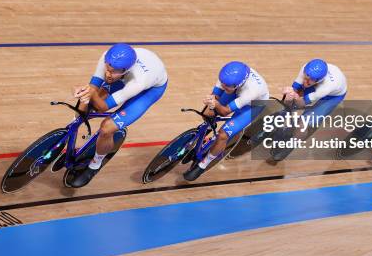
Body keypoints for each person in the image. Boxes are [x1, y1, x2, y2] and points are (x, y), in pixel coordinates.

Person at [71, 43, 167, 187]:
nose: (108, 74)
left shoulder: (139, 81)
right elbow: (92, 88)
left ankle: (95, 165)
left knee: (107, 128)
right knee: (88, 102)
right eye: (107, 69)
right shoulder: (106, 57)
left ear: (125, 70)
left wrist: (92, 96)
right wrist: (83, 95)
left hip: (150, 89)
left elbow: (102, 107)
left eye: (113, 71)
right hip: (124, 79)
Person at [183, 61, 269, 181]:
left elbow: (225, 111)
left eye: (226, 86)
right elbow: (215, 96)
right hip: (236, 93)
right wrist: (210, 101)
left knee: (223, 135)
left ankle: (203, 165)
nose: (223, 86)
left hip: (253, 105)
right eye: (222, 83)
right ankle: (204, 137)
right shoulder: (226, 78)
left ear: (238, 84)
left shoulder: (252, 90)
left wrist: (216, 104)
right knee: (208, 113)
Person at [277, 59, 347, 160]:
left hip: (332, 97)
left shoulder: (326, 87)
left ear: (318, 81)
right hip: (319, 85)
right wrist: (289, 93)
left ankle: (291, 145)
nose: (305, 82)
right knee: (290, 99)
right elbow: (295, 88)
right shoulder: (306, 69)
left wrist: (295, 98)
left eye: (309, 81)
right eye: (305, 77)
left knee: (303, 123)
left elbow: (302, 103)